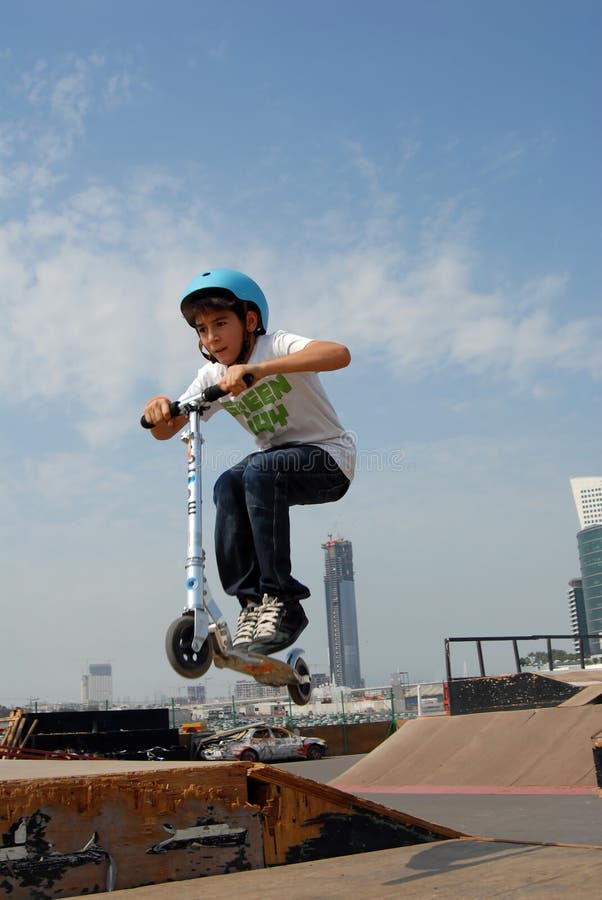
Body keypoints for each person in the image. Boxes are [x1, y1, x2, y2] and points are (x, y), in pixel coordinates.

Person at [143, 268, 355, 656]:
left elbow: (339, 354)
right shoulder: (212, 375)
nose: (212, 337)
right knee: (227, 483)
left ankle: (283, 600)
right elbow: (167, 428)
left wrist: (259, 370)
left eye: (221, 323)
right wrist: (159, 408)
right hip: (275, 467)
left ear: (250, 321)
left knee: (259, 468)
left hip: (328, 459)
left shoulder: (274, 346)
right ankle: (253, 604)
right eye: (203, 330)